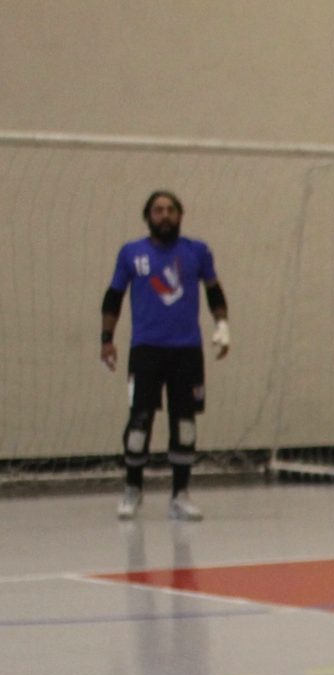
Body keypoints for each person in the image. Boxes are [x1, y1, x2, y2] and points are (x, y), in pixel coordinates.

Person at [102, 190, 229, 521]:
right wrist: (107, 340)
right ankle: (132, 489)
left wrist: (222, 325)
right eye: (158, 210)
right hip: (146, 350)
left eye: (171, 210)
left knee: (184, 423)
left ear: (180, 215)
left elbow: (214, 289)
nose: (165, 215)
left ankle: (180, 495)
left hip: (187, 350)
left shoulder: (197, 251)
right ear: (147, 216)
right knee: (139, 421)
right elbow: (114, 296)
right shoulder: (132, 253)